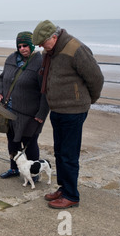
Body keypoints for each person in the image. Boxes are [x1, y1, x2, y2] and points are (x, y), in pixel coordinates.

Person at [33, 20, 104, 209]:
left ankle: (72, 195)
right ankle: (64, 188)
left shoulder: (76, 49)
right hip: (57, 110)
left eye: (42, 43)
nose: (40, 47)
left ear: (54, 37)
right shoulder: (51, 52)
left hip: (74, 111)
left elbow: (96, 78)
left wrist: (87, 101)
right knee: (59, 152)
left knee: (69, 155)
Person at [0, 31, 49, 180]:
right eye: (19, 46)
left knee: (30, 144)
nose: (22, 49)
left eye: (25, 45)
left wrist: (41, 114)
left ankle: (34, 172)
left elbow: (45, 91)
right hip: (9, 111)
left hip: (30, 114)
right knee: (12, 143)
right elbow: (2, 79)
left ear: (32, 45)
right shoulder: (11, 59)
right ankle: (14, 169)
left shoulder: (40, 62)